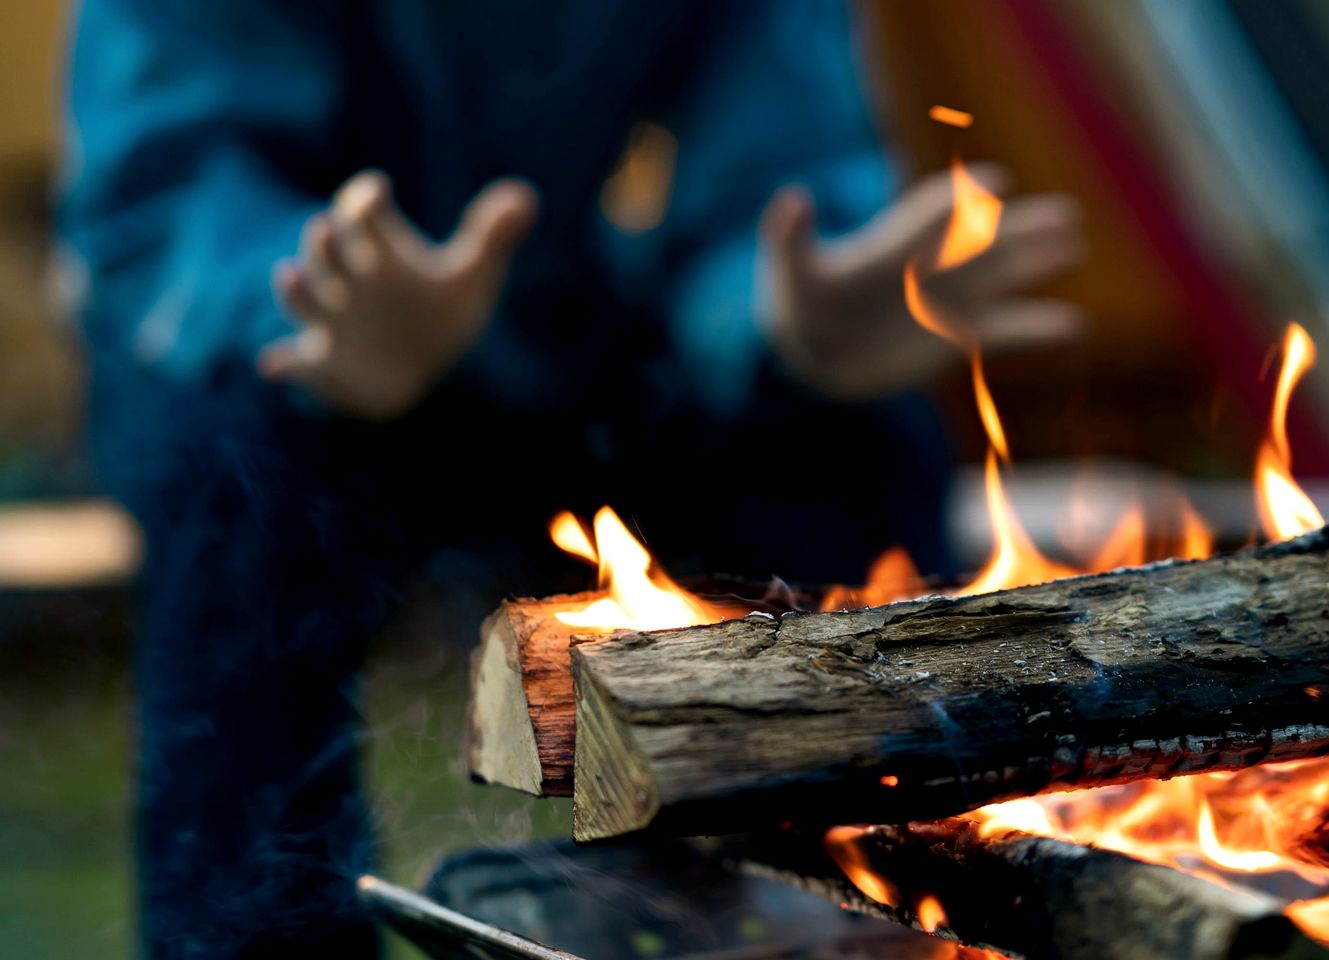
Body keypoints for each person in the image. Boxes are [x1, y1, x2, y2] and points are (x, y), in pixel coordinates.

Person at [61, 0, 1083, 955]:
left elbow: (778, 169)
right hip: (294, 360)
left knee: (850, 434)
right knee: (239, 474)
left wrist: (781, 320)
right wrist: (305, 315)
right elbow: (163, 188)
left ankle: (883, 915)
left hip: (566, 346)